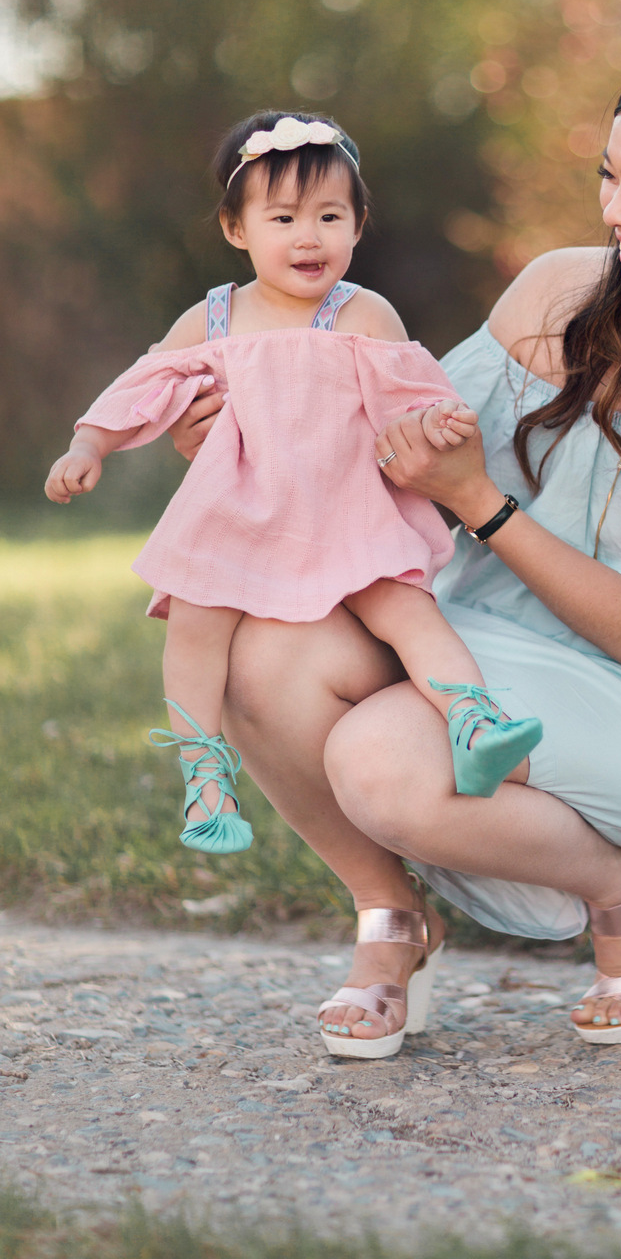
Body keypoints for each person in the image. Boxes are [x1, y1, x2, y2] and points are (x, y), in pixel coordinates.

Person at [167, 54, 621, 1061]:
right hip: (479, 645)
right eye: (605, 177)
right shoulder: (554, 295)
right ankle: (390, 920)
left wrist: (480, 504)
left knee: (380, 760)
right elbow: (388, 457)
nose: (610, 210)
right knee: (257, 653)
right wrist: (238, 442)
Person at [43, 111, 543, 866]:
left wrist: (436, 421)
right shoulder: (213, 318)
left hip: (346, 512)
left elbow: (412, 388)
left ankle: (472, 721)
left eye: (329, 217)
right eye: (282, 218)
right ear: (236, 229)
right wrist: (91, 443)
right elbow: (143, 386)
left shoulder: (360, 312)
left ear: (358, 226)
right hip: (238, 513)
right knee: (195, 624)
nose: (307, 237)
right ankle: (203, 768)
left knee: (406, 610)